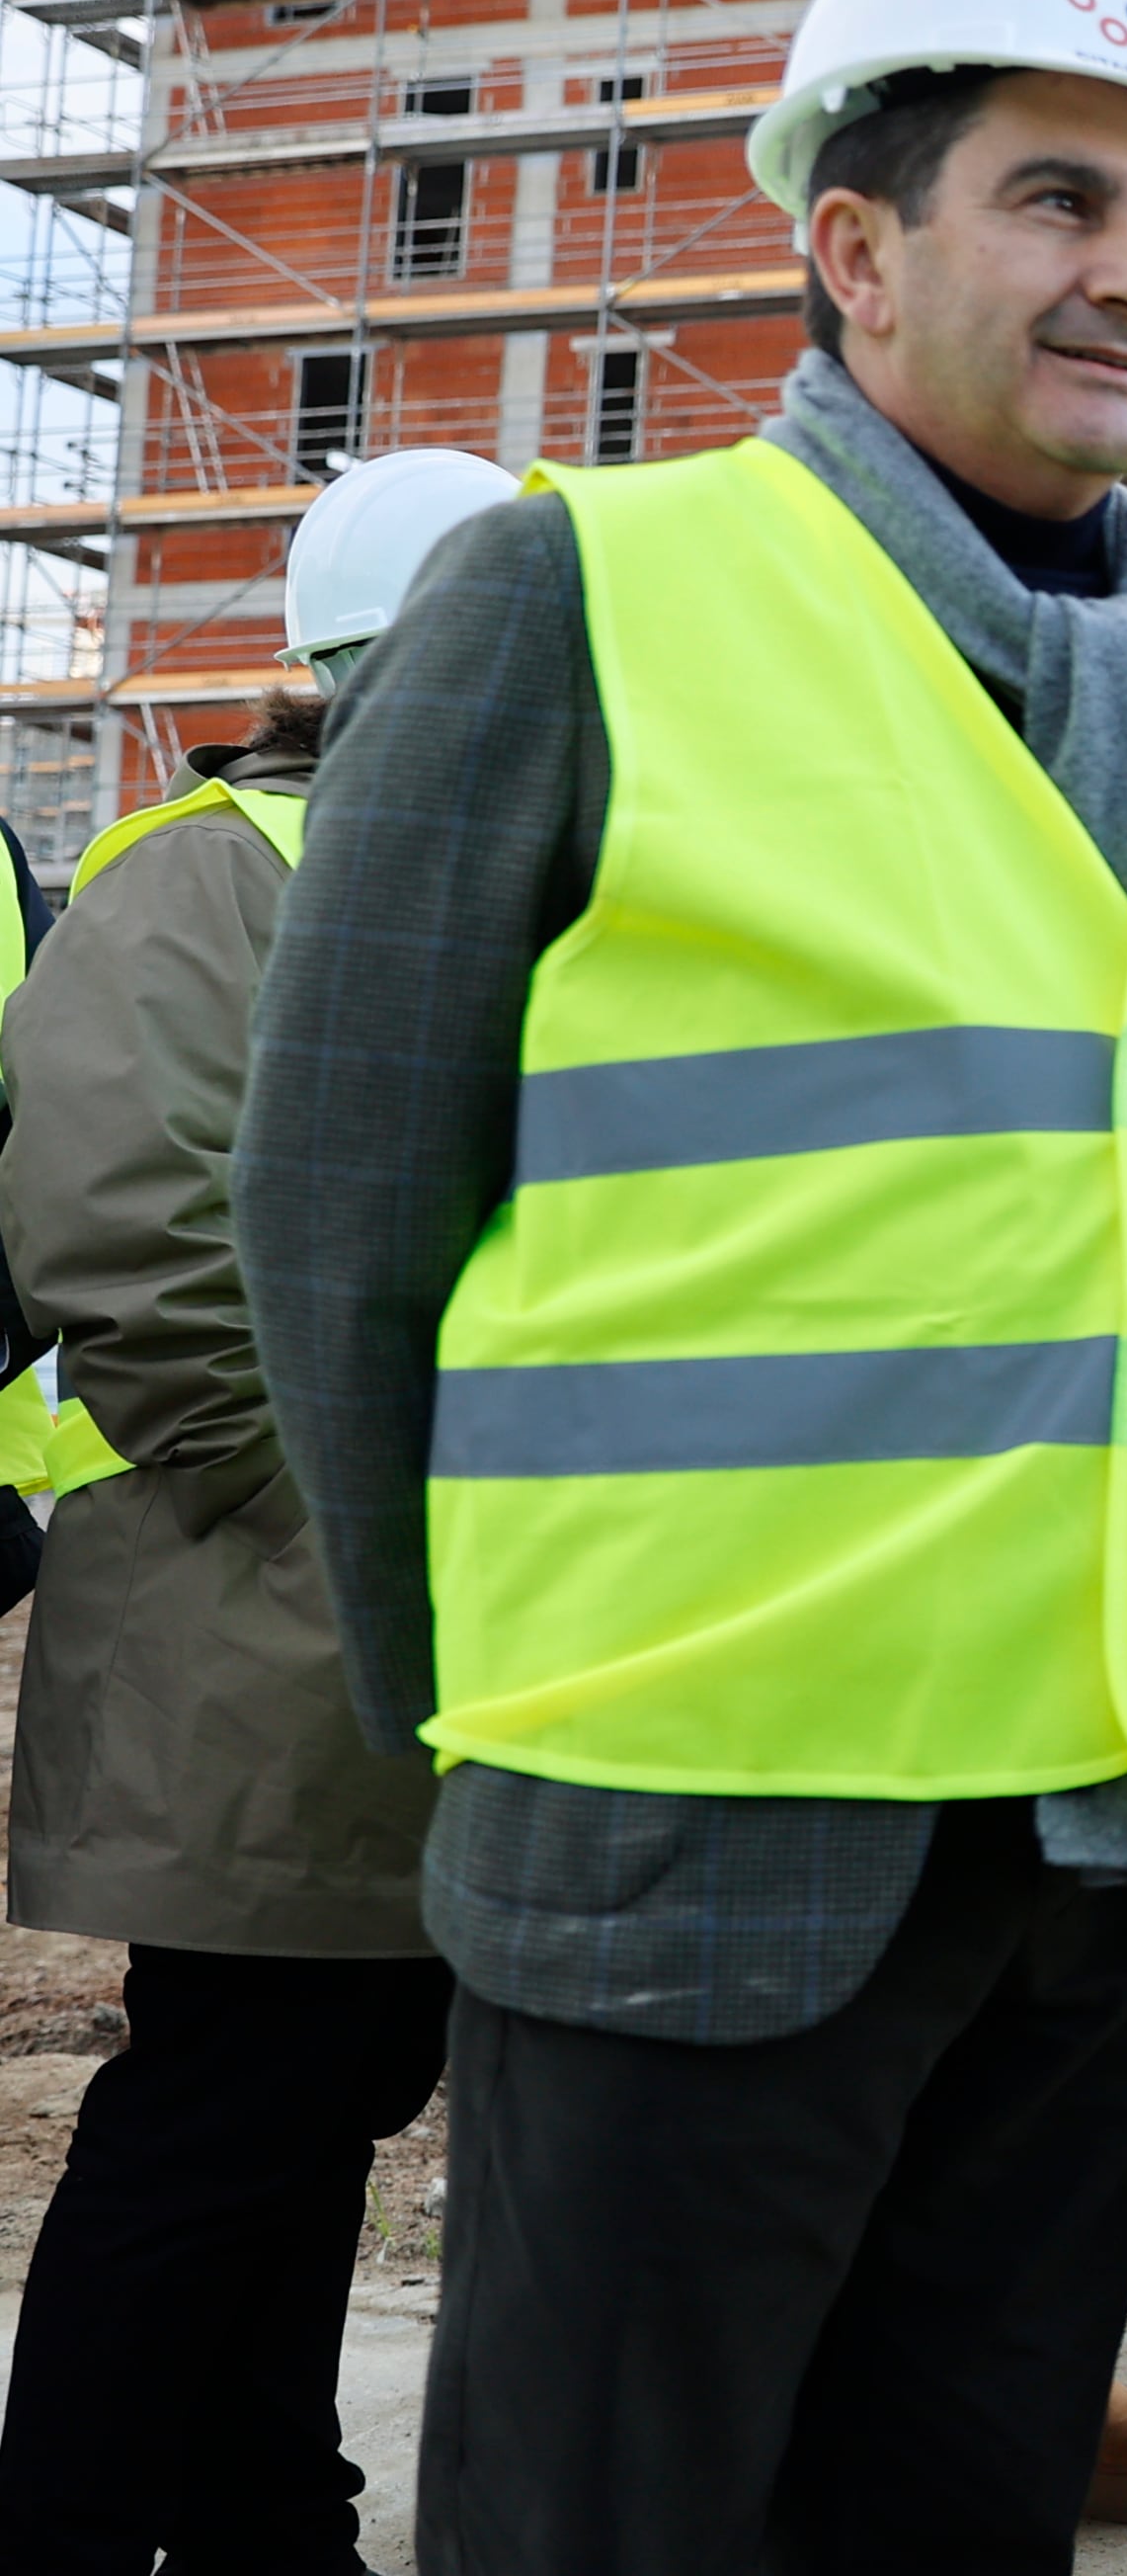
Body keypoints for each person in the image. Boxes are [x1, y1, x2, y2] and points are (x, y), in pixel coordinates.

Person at [233, 0, 1127, 2572]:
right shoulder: (584, 588)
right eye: (1058, 203)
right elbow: (338, 1210)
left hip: (1108, 1853)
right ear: (855, 252)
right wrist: (502, 1705)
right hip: (684, 1826)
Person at [0, 450, 507, 2574]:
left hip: (401, 1617)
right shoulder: (211, 869)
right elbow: (122, 1223)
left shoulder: (469, 868)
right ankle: (74, 2527)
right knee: (220, 2117)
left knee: (312, 2116)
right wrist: (313, 1513)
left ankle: (263, 2506)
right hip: (270, 1617)